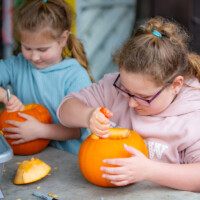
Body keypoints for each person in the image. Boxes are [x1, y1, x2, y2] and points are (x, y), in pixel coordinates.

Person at [57, 16, 200, 191]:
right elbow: (65, 109)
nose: (131, 103)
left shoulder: (193, 117)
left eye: (143, 97)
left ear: (176, 85)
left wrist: (149, 171)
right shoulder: (112, 88)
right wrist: (87, 115)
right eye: (125, 90)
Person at [0, 0, 93, 155]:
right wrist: (5, 96)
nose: (35, 57)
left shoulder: (75, 76)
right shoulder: (17, 65)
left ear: (63, 39)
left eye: (42, 49)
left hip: (70, 160)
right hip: (33, 156)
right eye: (27, 48)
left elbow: (77, 130)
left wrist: (42, 131)